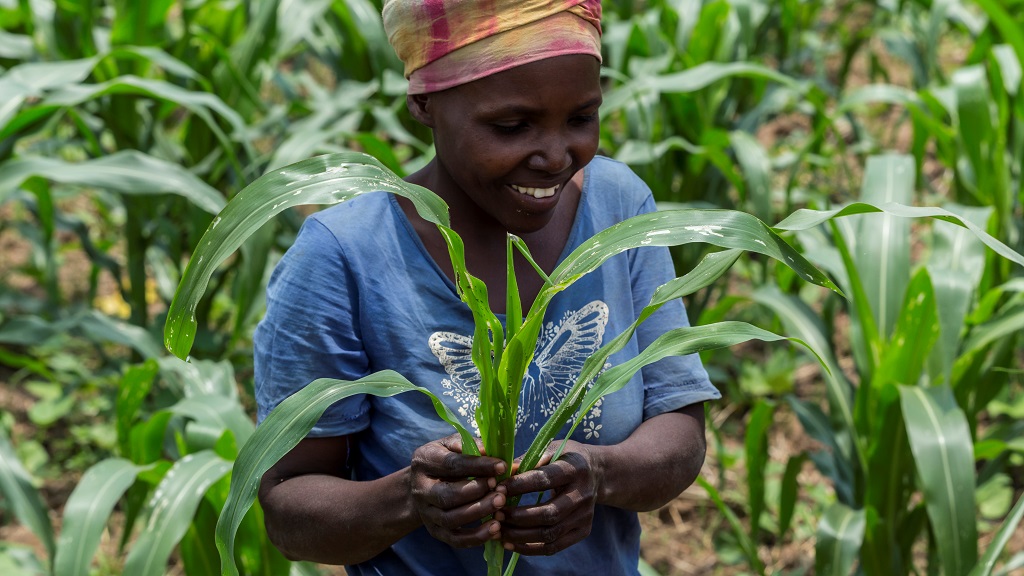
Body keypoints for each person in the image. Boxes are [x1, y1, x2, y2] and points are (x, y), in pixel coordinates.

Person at [254, 1, 721, 574]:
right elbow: (288, 509)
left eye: (581, 118)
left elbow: (679, 429)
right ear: (424, 103)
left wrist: (598, 473)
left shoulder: (618, 206)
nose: (556, 156)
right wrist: (409, 499)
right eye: (511, 126)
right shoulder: (345, 256)